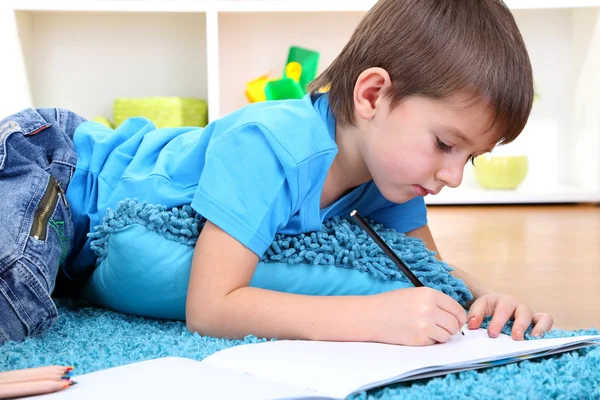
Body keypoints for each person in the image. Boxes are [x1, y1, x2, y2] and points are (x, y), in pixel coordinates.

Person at [0, 0, 553, 345]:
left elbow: (424, 271)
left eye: (469, 158)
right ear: (373, 94)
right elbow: (210, 308)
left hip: (73, 225)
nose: (453, 177)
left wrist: (485, 296)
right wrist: (370, 319)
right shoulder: (271, 143)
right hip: (54, 163)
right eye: (444, 145)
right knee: (14, 294)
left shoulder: (389, 177)